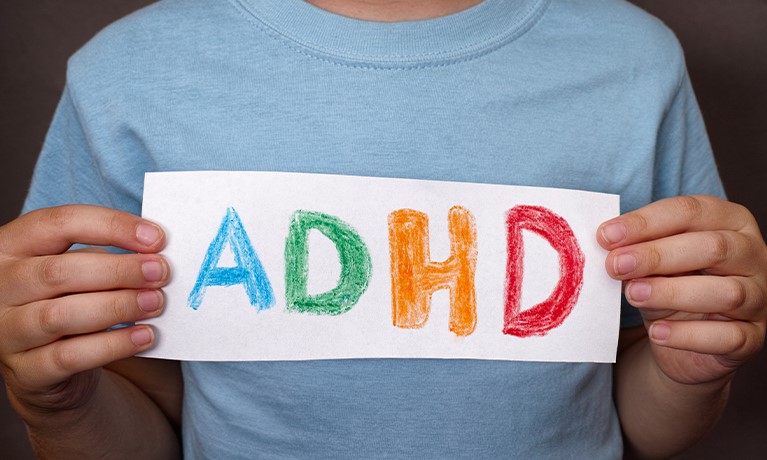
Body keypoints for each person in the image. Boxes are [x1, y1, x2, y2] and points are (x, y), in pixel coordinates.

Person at [1, 0, 765, 458]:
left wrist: (689, 369)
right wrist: (54, 404)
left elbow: (641, 419)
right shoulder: (130, 70)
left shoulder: (632, 60)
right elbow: (138, 416)